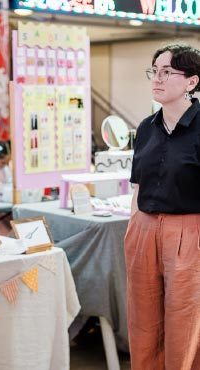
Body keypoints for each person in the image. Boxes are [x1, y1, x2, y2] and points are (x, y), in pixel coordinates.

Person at [125, 43, 200, 370]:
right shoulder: (145, 127)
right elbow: (137, 184)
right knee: (142, 317)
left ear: (192, 82)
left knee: (184, 318)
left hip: (188, 230)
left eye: (167, 72)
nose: (157, 78)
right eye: (154, 71)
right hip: (143, 228)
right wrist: (133, 228)